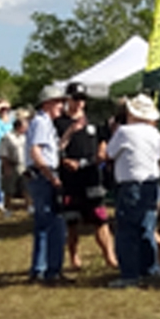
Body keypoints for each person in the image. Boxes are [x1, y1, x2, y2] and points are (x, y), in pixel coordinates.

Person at [56, 83, 116, 272]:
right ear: (67, 100)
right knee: (71, 222)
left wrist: (101, 151)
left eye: (82, 99)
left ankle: (110, 257)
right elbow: (54, 148)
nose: (79, 103)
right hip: (70, 180)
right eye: (75, 99)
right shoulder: (58, 123)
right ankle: (74, 257)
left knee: (100, 219)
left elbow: (104, 139)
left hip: (92, 177)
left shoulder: (94, 121)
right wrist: (65, 161)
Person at [108, 95, 160, 288]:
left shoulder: (124, 132)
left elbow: (109, 153)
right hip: (151, 182)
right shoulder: (156, 134)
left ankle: (129, 274)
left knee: (126, 230)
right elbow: (158, 155)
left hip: (130, 183)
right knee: (146, 227)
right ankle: (149, 267)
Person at [27, 85, 70, 283]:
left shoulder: (45, 123)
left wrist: (71, 132)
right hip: (43, 175)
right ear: (47, 103)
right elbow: (36, 152)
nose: (62, 106)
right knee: (53, 224)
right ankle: (49, 270)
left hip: (43, 174)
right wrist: (50, 175)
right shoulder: (41, 123)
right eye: (58, 102)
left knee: (46, 223)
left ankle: (42, 268)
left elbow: (52, 148)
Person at [0, 112, 29, 215]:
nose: (26, 128)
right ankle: (8, 209)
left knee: (26, 187)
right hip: (11, 165)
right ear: (19, 127)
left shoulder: (25, 137)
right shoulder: (8, 137)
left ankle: (29, 207)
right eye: (25, 126)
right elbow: (3, 153)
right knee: (9, 190)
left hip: (24, 165)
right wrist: (6, 167)